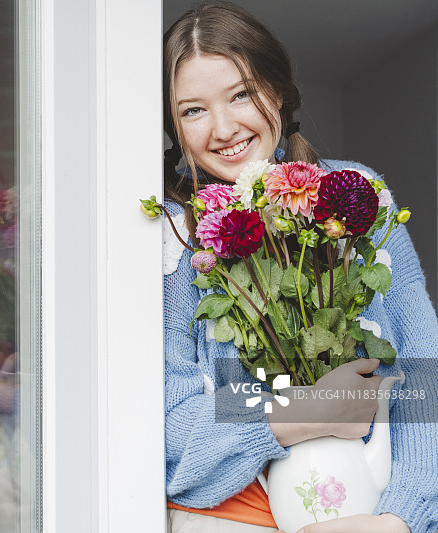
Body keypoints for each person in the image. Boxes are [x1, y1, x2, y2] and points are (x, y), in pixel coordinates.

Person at [162, 3, 438, 532]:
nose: (224, 128)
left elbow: (420, 380)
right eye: (192, 110)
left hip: (368, 514)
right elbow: (171, 428)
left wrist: (402, 520)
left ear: (280, 90)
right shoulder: (173, 238)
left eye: (241, 94)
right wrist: (298, 412)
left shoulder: (355, 193)